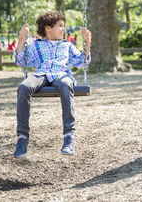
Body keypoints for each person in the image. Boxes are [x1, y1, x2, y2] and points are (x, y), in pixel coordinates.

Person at [13, 11, 91, 158]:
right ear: (48, 28)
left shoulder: (67, 45)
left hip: (61, 74)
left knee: (66, 84)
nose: (63, 29)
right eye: (60, 26)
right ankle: (22, 138)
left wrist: (88, 42)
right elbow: (20, 61)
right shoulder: (37, 45)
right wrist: (22, 38)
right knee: (23, 87)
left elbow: (82, 62)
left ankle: (69, 136)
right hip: (40, 74)